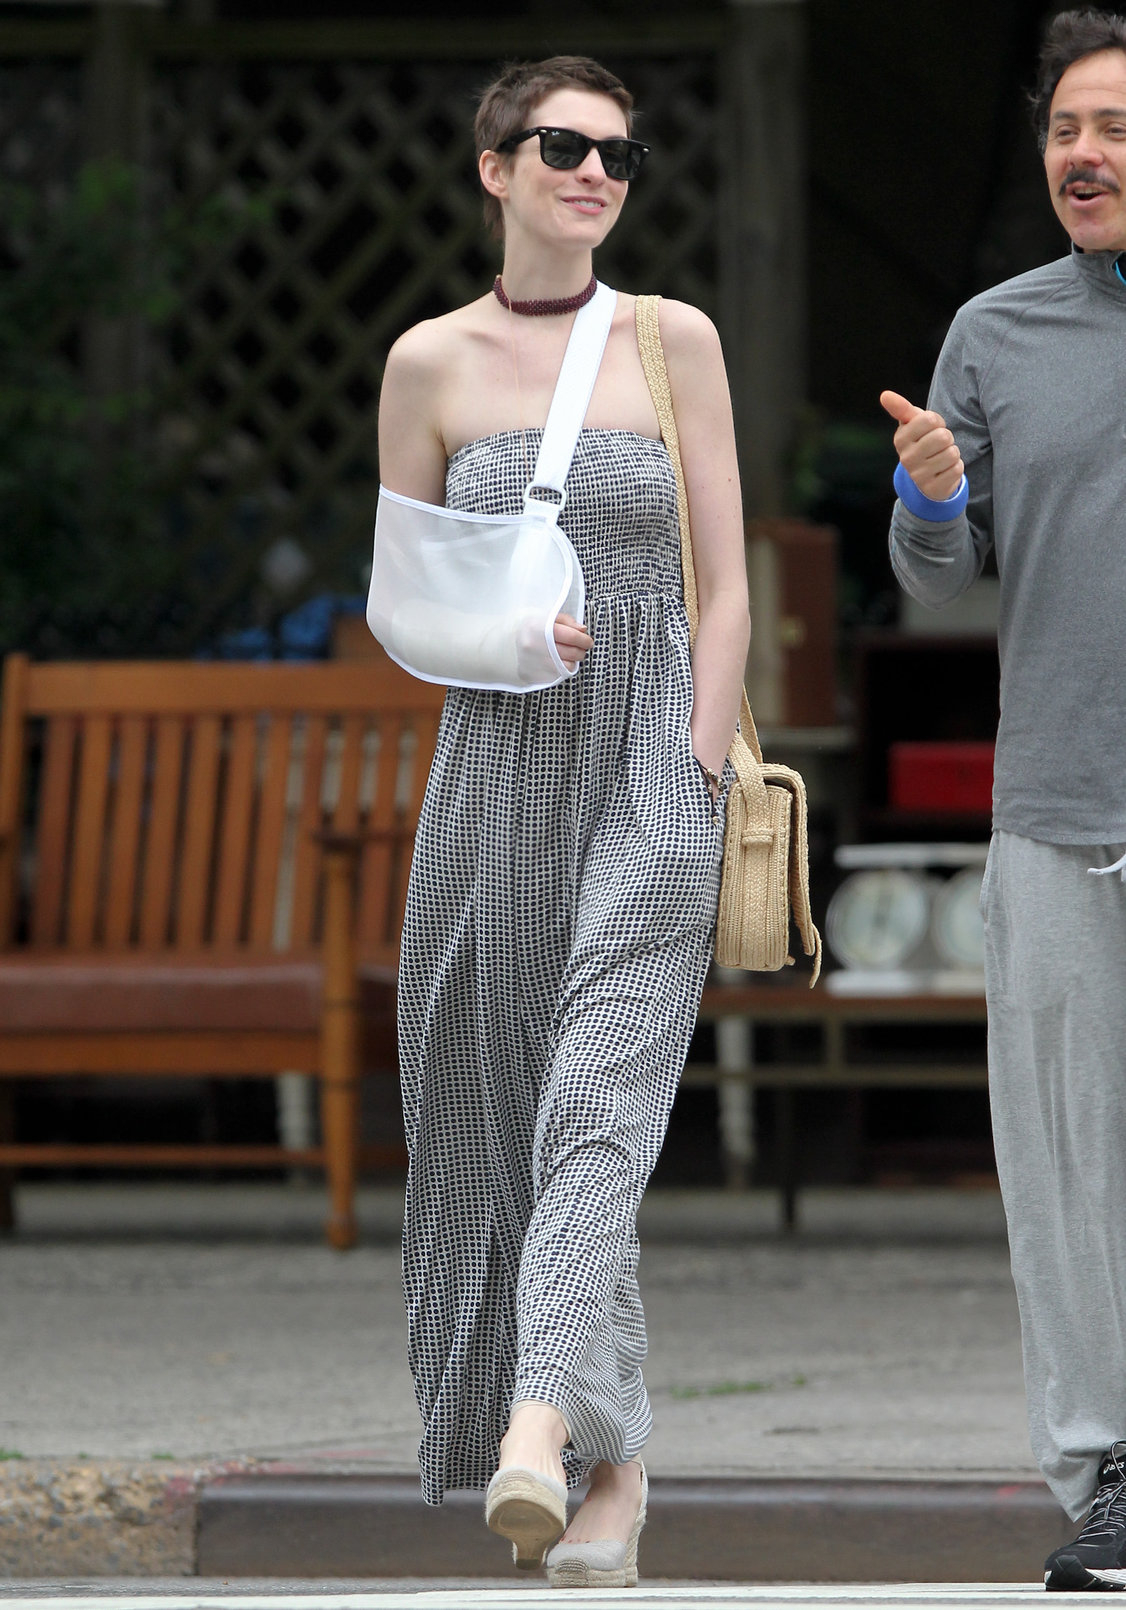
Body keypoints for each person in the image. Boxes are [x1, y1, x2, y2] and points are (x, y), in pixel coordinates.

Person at [377, 55, 749, 1586]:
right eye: (560, 146)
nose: (592, 172)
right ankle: (619, 1476)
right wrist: (514, 640)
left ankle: (538, 1427)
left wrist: (702, 764)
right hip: (496, 768)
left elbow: (726, 585)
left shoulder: (672, 341)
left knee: (599, 1096)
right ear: (492, 167)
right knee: (501, 1108)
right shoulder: (429, 364)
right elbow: (403, 604)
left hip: (656, 761)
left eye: (615, 153)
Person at [880, 8, 1126, 1591]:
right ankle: (1108, 1473)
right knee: (1066, 1167)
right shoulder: (994, 331)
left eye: (1112, 126)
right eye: (1064, 130)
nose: (1084, 155)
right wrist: (928, 495)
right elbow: (935, 572)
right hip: (1059, 801)